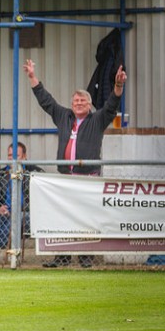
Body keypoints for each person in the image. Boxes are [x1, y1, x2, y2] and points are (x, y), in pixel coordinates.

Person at [23, 58, 127, 268]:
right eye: (76, 101)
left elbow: (111, 105)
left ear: (89, 106)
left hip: (88, 178)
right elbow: (46, 101)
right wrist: (33, 77)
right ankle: (61, 258)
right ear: (72, 104)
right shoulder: (63, 116)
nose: (79, 104)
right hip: (65, 178)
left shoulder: (98, 119)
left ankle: (86, 259)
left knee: (86, 219)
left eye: (83, 101)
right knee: (62, 217)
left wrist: (118, 85)